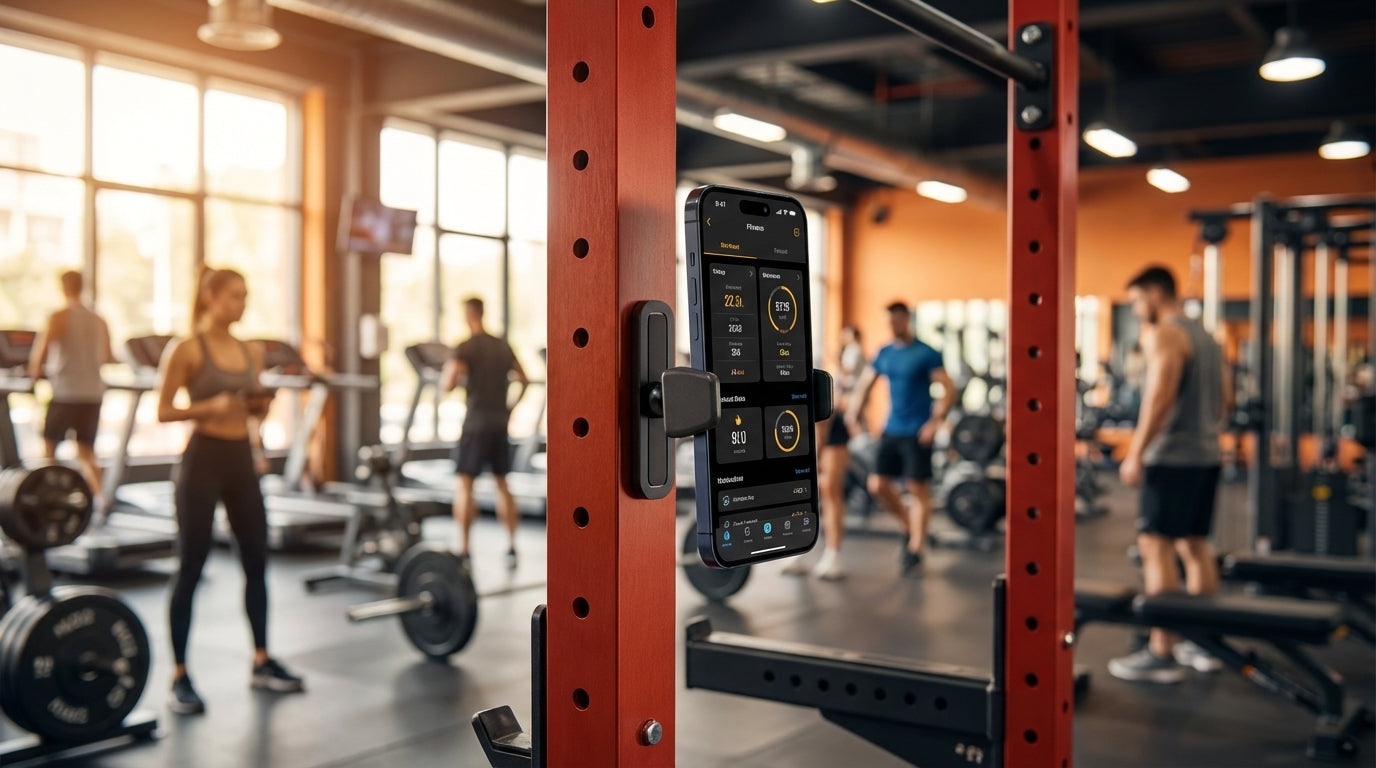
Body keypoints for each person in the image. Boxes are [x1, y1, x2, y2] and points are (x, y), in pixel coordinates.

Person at [156, 266, 303, 715]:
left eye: (245, 296)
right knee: (191, 565)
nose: (242, 303)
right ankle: (180, 675)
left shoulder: (249, 350)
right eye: (235, 295)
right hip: (202, 460)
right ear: (211, 297)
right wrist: (209, 406)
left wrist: (260, 406)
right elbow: (163, 411)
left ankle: (261, 660)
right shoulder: (187, 349)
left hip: (240, 460)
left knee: (256, 560)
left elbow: (255, 412)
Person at [1109, 265, 1230, 683]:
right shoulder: (1208, 338)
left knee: (1155, 545)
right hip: (1206, 455)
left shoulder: (1166, 334)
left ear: (1155, 295)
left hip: (1172, 458)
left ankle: (1162, 650)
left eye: (1137, 301)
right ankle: (1202, 642)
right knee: (1195, 545)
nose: (1136, 309)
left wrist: (1136, 452)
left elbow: (1159, 397)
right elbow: (1226, 400)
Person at [847, 303, 956, 577]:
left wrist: (934, 423)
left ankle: (916, 549)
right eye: (888, 322)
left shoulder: (926, 353)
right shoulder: (884, 353)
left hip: (918, 431)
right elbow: (866, 383)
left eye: (896, 321)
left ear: (906, 320)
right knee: (877, 485)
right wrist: (854, 412)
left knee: (917, 489)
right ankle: (910, 526)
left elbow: (948, 389)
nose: (892, 326)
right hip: (891, 429)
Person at [442, 297, 529, 568]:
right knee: (503, 484)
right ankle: (512, 546)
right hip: (499, 423)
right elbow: (524, 380)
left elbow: (448, 384)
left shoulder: (466, 347)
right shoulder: (502, 346)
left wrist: (448, 375)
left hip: (476, 423)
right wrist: (509, 409)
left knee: (466, 485)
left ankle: (465, 549)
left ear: (469, 315)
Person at [27, 270, 115, 509]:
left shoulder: (59, 316)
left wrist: (33, 375)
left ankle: (51, 495)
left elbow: (40, 353)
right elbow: (108, 356)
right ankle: (101, 500)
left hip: (66, 392)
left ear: (63, 288)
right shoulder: (99, 319)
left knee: (49, 445)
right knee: (86, 449)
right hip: (92, 393)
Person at [786, 325, 865, 580]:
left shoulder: (826, 376)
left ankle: (833, 555)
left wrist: (816, 455)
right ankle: (797, 551)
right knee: (801, 492)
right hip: (805, 432)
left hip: (830, 431)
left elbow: (824, 422)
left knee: (830, 488)